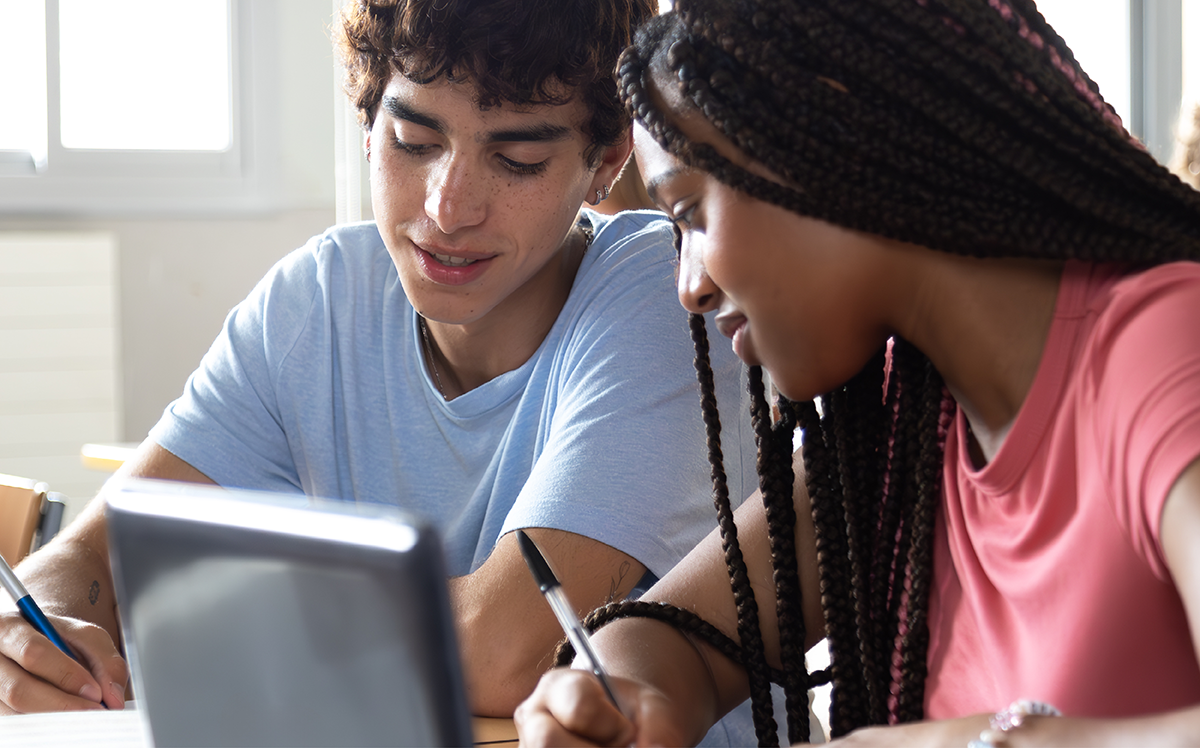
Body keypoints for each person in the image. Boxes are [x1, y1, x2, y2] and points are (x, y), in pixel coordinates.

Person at [0, 0, 761, 725]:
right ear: (367, 124)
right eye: (415, 143)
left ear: (605, 161)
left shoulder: (664, 293)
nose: (448, 208)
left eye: (519, 159)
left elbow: (506, 652)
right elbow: (92, 558)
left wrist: (210, 624)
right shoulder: (319, 298)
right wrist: (29, 629)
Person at [515, 0, 1200, 745]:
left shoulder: (1166, 344)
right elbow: (677, 638)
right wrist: (613, 695)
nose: (690, 287)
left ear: (825, 126)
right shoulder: (906, 419)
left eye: (692, 212)